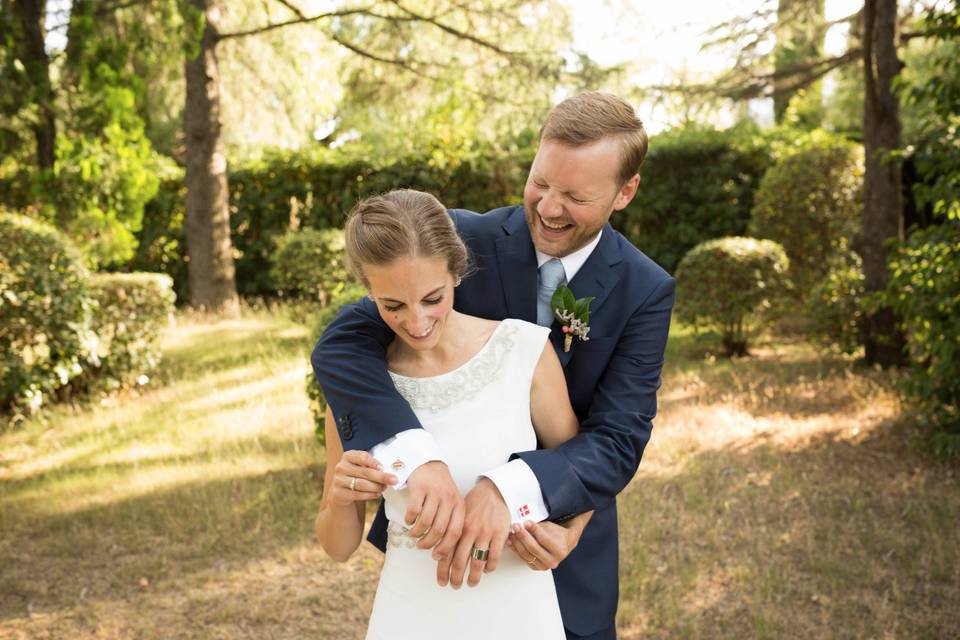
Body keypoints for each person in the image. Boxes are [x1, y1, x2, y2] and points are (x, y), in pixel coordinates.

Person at [312, 91, 675, 640]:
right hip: (434, 575)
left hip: (560, 552)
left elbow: (619, 437)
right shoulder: (456, 239)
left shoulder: (644, 289)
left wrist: (536, 502)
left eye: (575, 195)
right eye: (541, 183)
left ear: (625, 192)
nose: (549, 208)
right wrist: (416, 455)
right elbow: (341, 345)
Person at [314, 189, 590, 639]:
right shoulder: (361, 389)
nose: (417, 321)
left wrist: (569, 532)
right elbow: (337, 547)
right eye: (393, 306)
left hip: (518, 612)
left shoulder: (523, 350)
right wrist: (343, 498)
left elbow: (579, 470)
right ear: (368, 294)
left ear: (456, 271)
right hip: (410, 615)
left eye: (432, 297)